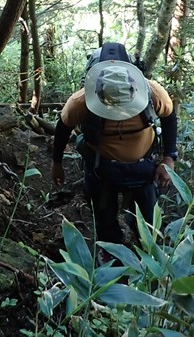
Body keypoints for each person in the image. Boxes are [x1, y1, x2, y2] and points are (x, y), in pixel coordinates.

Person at [50, 45, 179, 246]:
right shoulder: (80, 101)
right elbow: (63, 127)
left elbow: (169, 117)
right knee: (105, 220)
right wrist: (56, 163)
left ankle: (147, 251)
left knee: (147, 224)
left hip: (142, 168)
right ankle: (110, 249)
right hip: (101, 170)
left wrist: (168, 158)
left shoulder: (152, 92)